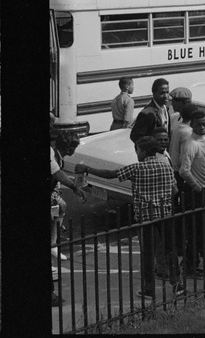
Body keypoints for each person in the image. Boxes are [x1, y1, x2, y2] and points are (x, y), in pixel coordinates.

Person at [77, 136, 181, 299]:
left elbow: (111, 174)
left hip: (145, 216)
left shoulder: (136, 169)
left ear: (144, 151)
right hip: (165, 214)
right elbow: (175, 190)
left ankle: (149, 289)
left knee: (147, 253)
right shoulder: (166, 167)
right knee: (170, 250)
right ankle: (177, 284)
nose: (136, 153)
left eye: (137, 150)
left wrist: (88, 169)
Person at [49, 127, 88, 306]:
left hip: (51, 195)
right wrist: (75, 187)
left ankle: (53, 245)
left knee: (58, 214)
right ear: (70, 148)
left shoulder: (57, 155)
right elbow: (57, 174)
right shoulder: (52, 154)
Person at [177, 109, 205, 277]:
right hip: (194, 192)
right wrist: (197, 186)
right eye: (198, 124)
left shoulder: (202, 140)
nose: (202, 127)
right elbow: (184, 171)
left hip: (202, 189)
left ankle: (192, 263)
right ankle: (190, 266)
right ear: (191, 125)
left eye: (204, 124)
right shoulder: (190, 143)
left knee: (202, 230)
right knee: (194, 231)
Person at [130, 78, 171, 144]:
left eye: (167, 92)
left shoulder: (166, 108)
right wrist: (150, 147)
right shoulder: (147, 113)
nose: (166, 96)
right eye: (162, 93)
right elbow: (135, 136)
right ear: (154, 93)